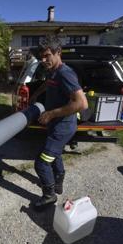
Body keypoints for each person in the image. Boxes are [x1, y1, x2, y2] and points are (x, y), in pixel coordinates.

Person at [30, 36, 88, 209]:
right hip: (56, 124)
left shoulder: (65, 73)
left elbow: (81, 104)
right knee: (55, 154)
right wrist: (36, 94)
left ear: (58, 52)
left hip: (62, 127)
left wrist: (51, 113)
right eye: (42, 56)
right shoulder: (53, 71)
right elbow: (49, 84)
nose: (43, 59)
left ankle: (49, 196)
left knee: (41, 162)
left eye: (47, 55)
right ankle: (58, 183)